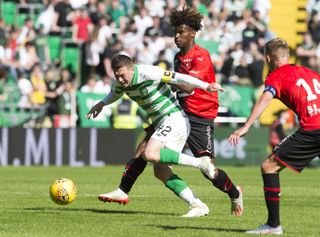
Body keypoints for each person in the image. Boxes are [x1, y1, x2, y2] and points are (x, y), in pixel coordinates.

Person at [95, 7, 243, 217]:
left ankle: (235, 193)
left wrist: (192, 84)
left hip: (201, 114)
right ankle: (124, 190)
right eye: (175, 32)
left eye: (181, 33)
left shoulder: (201, 57)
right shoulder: (176, 57)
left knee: (208, 169)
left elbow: (186, 85)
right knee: (147, 154)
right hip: (178, 111)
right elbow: (175, 82)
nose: (176, 37)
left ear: (192, 33)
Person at [87, 54, 224, 217]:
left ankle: (200, 163)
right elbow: (115, 93)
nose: (121, 80)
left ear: (132, 69)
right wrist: (102, 103)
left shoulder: (148, 72)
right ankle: (197, 205)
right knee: (161, 172)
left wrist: (206, 86)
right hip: (162, 122)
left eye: (123, 75)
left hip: (174, 118)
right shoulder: (119, 82)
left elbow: (178, 77)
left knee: (150, 153)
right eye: (117, 76)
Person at [229, 37, 320, 235]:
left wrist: (246, 126)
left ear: (268, 58)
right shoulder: (311, 73)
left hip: (313, 128)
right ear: (288, 56)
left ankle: (273, 225)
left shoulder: (276, 76)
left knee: (268, 166)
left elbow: (265, 98)